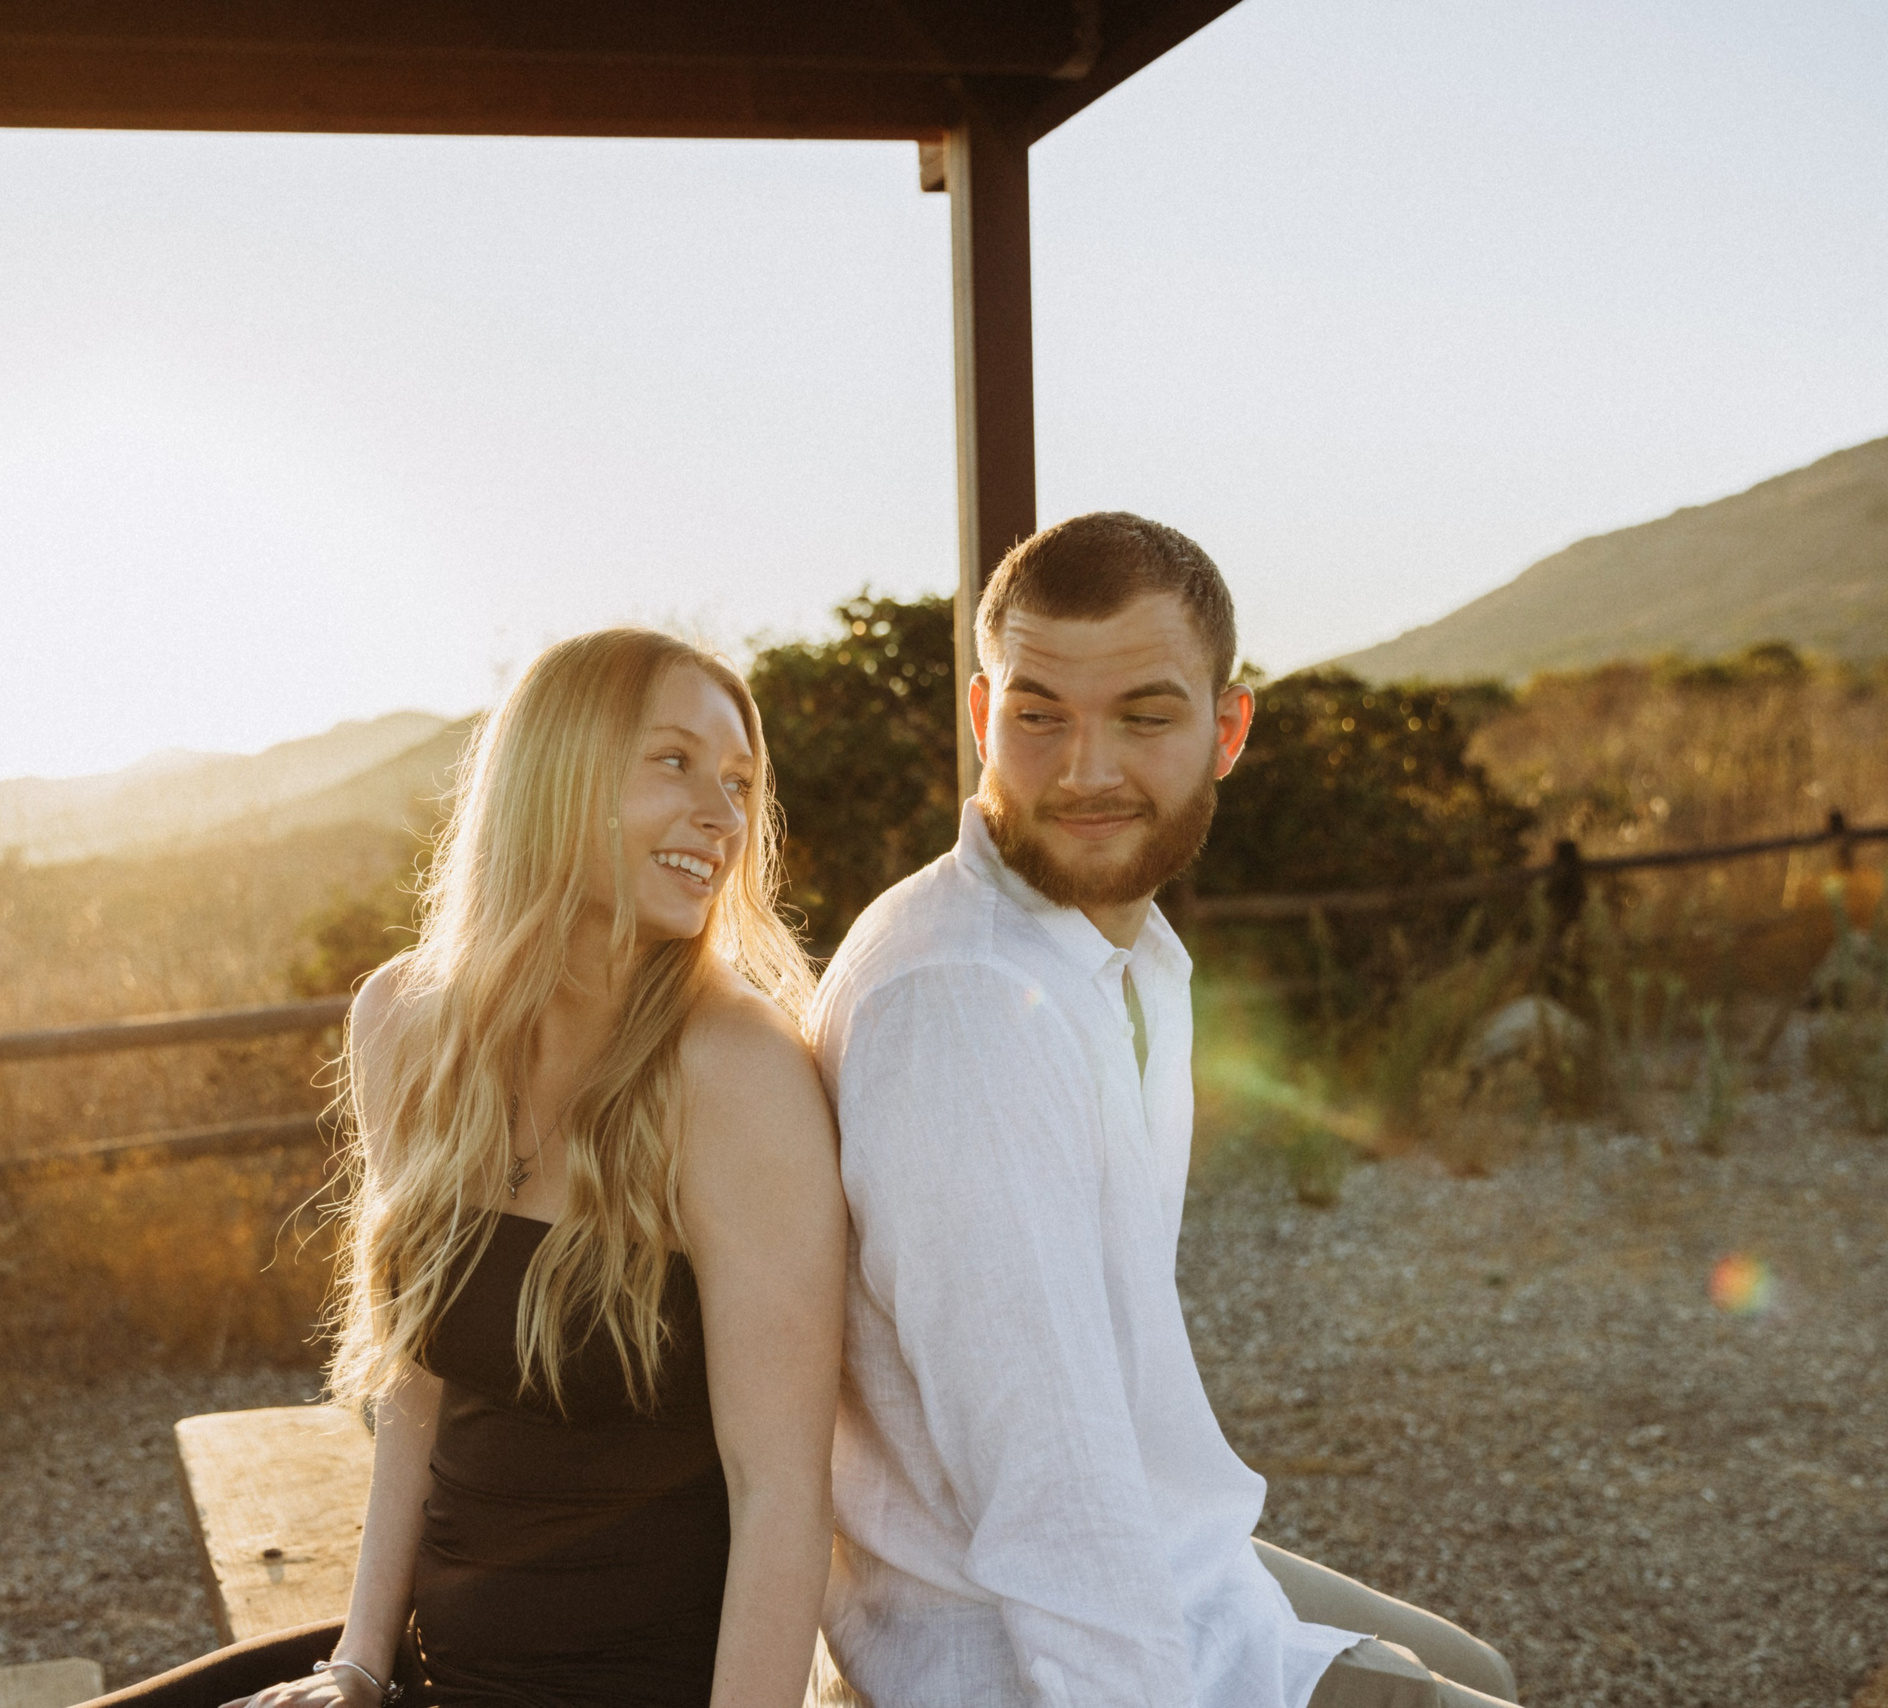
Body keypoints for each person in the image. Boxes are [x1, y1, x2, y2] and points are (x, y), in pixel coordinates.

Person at [809, 513, 1523, 1708]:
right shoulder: (969, 1006)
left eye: (1143, 715)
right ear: (985, 720)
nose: (1087, 769)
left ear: (1226, 728)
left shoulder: (1124, 956)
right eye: (1040, 716)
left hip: (1168, 1553)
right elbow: (1045, 1488)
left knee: (1474, 1665)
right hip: (996, 1639)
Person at [97, 628, 843, 1708]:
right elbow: (416, 1385)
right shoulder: (403, 1023)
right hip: (422, 1670)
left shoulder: (734, 1070)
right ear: (556, 774)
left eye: (738, 782)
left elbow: (780, 1489)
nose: (723, 816)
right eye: (673, 762)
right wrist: (354, 1661)